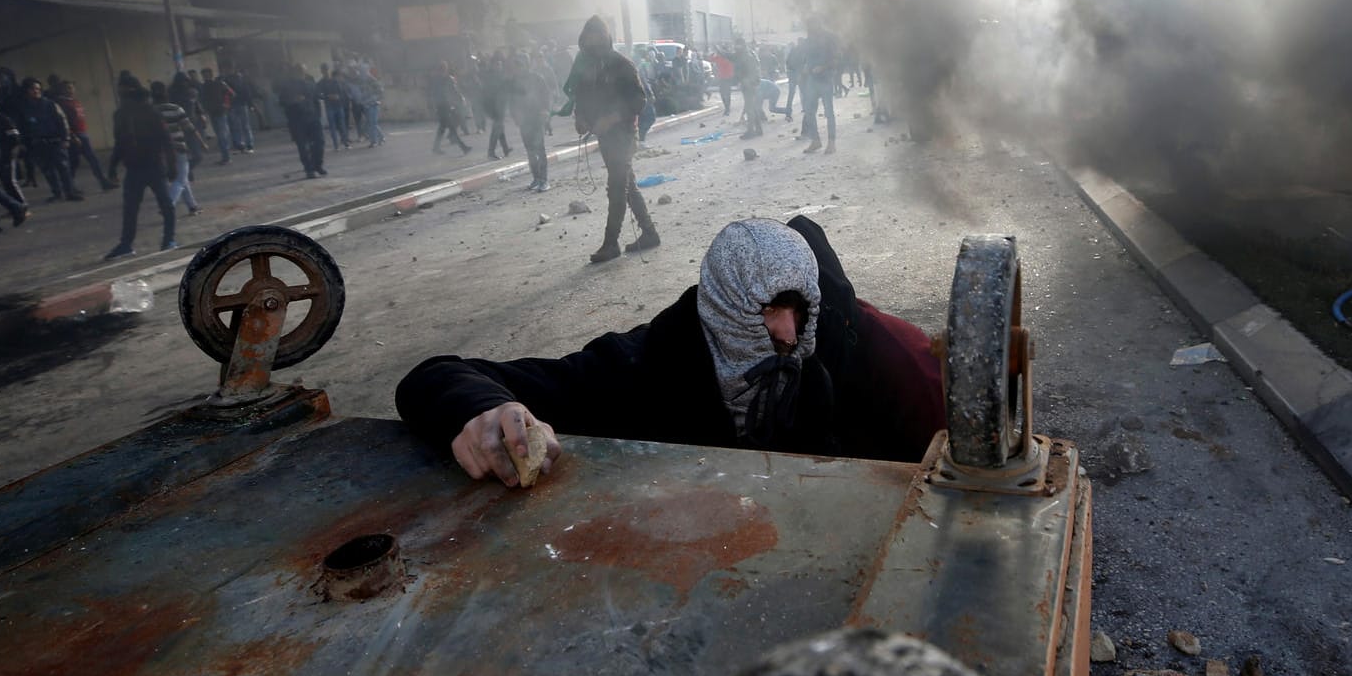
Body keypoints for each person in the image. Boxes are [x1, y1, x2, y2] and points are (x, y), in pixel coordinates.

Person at [395, 216, 946, 486]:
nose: (786, 332)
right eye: (768, 309)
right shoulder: (643, 368)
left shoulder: (850, 355)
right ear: (727, 301)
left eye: (799, 309)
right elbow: (440, 374)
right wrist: (484, 411)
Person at [568, 15, 657, 263]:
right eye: (588, 38)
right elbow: (581, 98)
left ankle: (610, 243)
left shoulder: (622, 65)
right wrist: (581, 118)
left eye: (596, 37)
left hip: (624, 134)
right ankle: (649, 232)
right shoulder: (586, 67)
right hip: (605, 137)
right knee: (628, 185)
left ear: (605, 38)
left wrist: (613, 117)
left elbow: (639, 100)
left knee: (617, 187)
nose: (591, 42)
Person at [103, 76, 176, 258]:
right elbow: (119, 143)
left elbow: (166, 140)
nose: (122, 95)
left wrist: (171, 164)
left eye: (125, 92)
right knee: (133, 207)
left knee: (163, 205)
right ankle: (128, 244)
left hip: (152, 166)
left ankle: (167, 240)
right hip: (137, 167)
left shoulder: (150, 112)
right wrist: (112, 166)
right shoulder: (121, 115)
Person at [16, 77, 83, 202]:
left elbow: (62, 121)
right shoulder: (23, 108)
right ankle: (57, 193)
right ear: (26, 91)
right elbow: (22, 127)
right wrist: (24, 143)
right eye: (32, 89)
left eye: (37, 88)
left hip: (56, 141)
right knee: (48, 171)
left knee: (63, 168)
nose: (36, 91)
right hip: (38, 144)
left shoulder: (50, 104)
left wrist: (66, 139)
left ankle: (70, 192)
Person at [150, 80, 206, 216]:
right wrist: (202, 143)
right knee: (180, 179)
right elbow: (190, 128)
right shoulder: (175, 108)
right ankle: (167, 205)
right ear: (166, 93)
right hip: (178, 147)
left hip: (160, 150)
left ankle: (192, 206)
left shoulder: (150, 111)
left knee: (183, 178)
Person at [52, 81, 116, 191]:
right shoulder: (62, 104)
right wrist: (72, 136)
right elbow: (63, 122)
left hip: (83, 133)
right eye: (68, 88)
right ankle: (69, 186)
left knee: (90, 159)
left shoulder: (75, 102)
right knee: (74, 162)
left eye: (72, 88)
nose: (71, 90)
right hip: (74, 135)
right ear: (63, 90)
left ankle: (103, 182)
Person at [510, 52, 553, 192]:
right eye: (516, 65)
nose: (517, 68)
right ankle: (536, 178)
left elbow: (546, 95)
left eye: (520, 65)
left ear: (526, 65)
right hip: (524, 121)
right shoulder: (515, 81)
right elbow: (513, 101)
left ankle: (544, 180)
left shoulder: (537, 78)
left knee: (539, 149)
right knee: (530, 151)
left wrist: (545, 111)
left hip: (537, 119)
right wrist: (515, 115)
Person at [276, 64, 326, 178]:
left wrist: (318, 115)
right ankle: (309, 169)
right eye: (299, 71)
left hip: (313, 118)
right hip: (297, 119)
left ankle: (317, 165)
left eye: (303, 71)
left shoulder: (310, 84)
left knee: (319, 142)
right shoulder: (287, 86)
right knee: (303, 146)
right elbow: (281, 102)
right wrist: (293, 100)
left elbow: (317, 99)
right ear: (294, 72)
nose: (301, 74)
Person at [799, 20, 840, 155]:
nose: (809, 29)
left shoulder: (829, 38)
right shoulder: (809, 39)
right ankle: (815, 141)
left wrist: (823, 67)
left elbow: (836, 59)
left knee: (828, 112)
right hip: (812, 79)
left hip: (826, 79)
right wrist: (806, 67)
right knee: (809, 111)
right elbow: (807, 57)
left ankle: (832, 143)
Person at [0, 98, 28, 231]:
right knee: (5, 182)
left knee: (10, 181)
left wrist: (13, 152)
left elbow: (14, 137)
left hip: (2, 154)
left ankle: (17, 206)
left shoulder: (1, 119)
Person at [430, 61, 472, 155]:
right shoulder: (448, 79)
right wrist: (461, 99)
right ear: (445, 69)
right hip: (445, 106)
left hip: (440, 106)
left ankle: (435, 147)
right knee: (451, 128)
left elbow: (433, 94)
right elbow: (454, 91)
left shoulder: (435, 80)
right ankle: (463, 147)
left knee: (442, 128)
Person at [198, 68, 234, 165]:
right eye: (203, 75)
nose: (205, 77)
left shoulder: (217, 84)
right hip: (214, 113)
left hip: (219, 112)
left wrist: (226, 104)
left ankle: (226, 157)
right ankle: (225, 156)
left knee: (222, 136)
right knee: (221, 136)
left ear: (210, 74)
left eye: (206, 75)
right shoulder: (205, 86)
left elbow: (230, 93)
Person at [483, 54, 512, 160]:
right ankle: (491, 152)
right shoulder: (493, 76)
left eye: (500, 64)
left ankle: (505, 148)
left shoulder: (495, 75)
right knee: (496, 129)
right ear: (493, 65)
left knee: (500, 128)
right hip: (495, 107)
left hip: (497, 106)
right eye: (498, 64)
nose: (500, 66)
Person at [317, 63, 350, 152]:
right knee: (333, 126)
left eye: (326, 69)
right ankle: (336, 146)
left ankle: (345, 143)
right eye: (324, 69)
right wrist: (327, 97)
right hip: (330, 107)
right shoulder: (321, 82)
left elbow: (343, 93)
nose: (326, 71)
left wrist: (338, 96)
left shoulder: (336, 81)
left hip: (339, 105)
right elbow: (317, 94)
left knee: (342, 125)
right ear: (322, 71)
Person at [225, 66, 257, 152]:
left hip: (235, 105)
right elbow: (247, 92)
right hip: (240, 104)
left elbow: (246, 92)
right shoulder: (241, 79)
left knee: (238, 126)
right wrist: (250, 104)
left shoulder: (226, 80)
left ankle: (240, 144)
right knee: (244, 126)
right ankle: (248, 144)